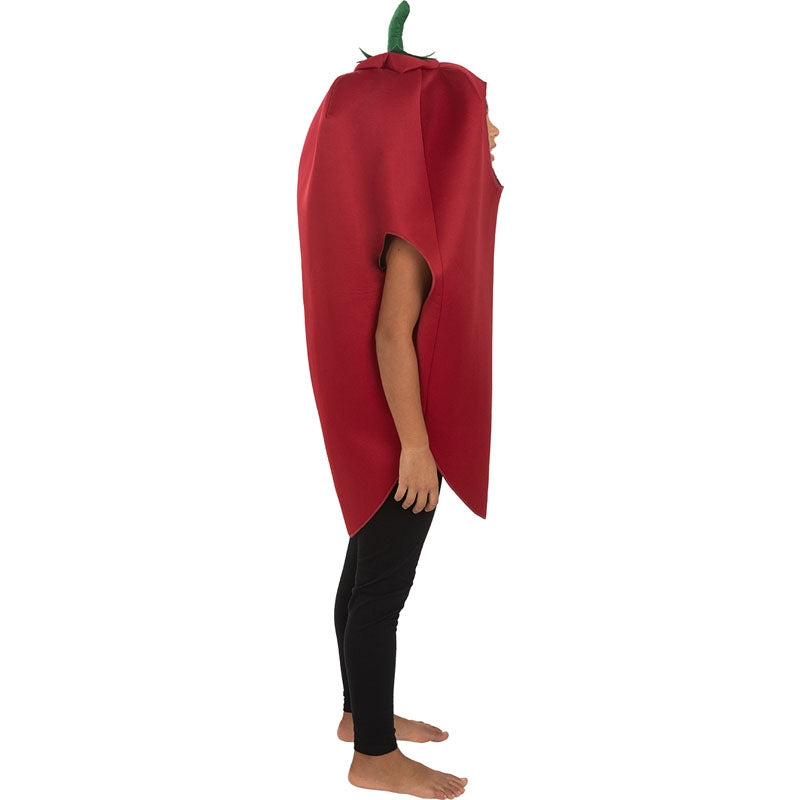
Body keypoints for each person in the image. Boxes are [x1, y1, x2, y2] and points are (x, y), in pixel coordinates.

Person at [297, 3, 503, 797]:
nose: (492, 133)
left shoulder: (415, 217)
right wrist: (417, 447)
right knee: (382, 589)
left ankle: (361, 715)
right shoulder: (416, 232)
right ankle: (374, 755)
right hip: (401, 432)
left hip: (391, 425)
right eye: (481, 120)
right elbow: (392, 337)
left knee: (363, 570)